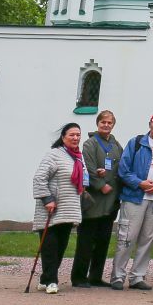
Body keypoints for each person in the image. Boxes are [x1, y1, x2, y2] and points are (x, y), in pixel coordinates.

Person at [112, 111, 153, 290]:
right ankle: (118, 276)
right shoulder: (136, 143)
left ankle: (137, 276)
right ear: (150, 124)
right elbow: (124, 170)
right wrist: (140, 183)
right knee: (127, 237)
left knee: (147, 239)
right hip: (134, 197)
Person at [31, 122, 86, 293]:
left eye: (78, 135)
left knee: (61, 246)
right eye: (72, 135)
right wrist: (47, 198)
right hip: (51, 208)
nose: (75, 138)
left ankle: (45, 278)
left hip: (68, 209)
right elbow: (39, 178)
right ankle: (52, 280)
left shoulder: (78, 157)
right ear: (63, 137)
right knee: (49, 246)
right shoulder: (54, 155)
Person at [72, 110, 122, 288]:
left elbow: (121, 167)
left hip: (110, 202)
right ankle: (78, 276)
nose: (106, 125)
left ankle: (95, 276)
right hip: (93, 201)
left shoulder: (116, 145)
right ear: (97, 123)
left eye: (109, 123)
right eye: (103, 122)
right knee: (86, 241)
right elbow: (87, 167)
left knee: (103, 241)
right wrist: (101, 184)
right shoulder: (90, 144)